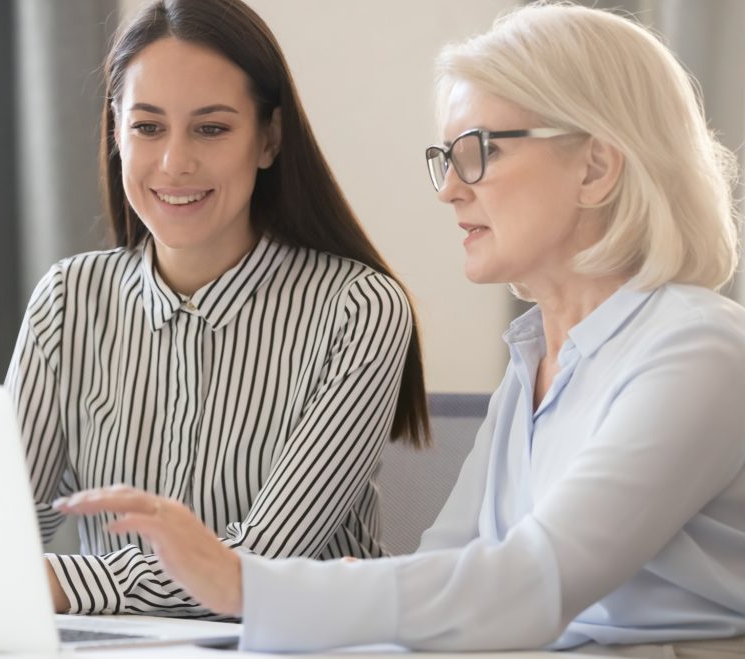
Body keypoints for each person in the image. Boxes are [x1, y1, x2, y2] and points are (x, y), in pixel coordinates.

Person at [57, 2, 745, 654]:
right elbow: (450, 567)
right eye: (446, 158)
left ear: (595, 166)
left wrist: (242, 580)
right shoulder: (536, 360)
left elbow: (532, 583)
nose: (449, 187)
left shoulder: (698, 350)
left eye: (480, 150)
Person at [4, 0, 430, 618]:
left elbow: (256, 570)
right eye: (148, 127)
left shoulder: (358, 309)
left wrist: (63, 583)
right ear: (116, 133)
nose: (175, 162)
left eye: (211, 128)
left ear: (269, 139)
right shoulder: (69, 301)